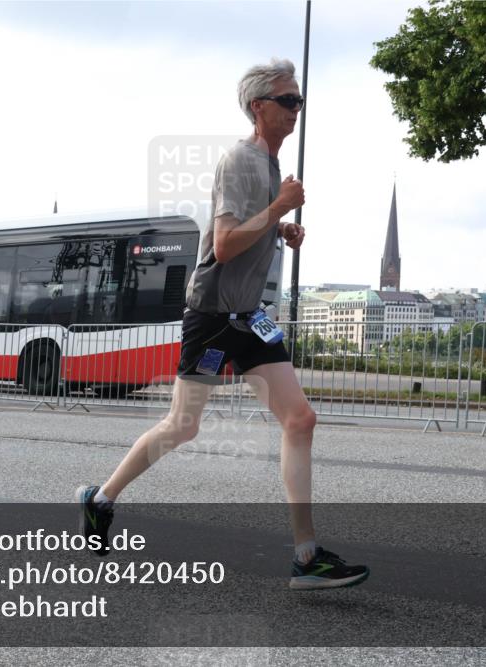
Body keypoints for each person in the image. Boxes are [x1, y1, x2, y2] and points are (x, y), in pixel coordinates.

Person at [77, 59, 369, 590]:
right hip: (212, 316)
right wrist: (279, 205)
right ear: (259, 107)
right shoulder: (239, 160)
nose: (296, 110)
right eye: (288, 101)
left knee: (300, 420)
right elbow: (226, 243)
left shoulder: (269, 165)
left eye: (299, 101)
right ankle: (99, 500)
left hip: (248, 316)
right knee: (182, 426)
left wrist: (281, 226)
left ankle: (307, 558)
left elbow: (248, 230)